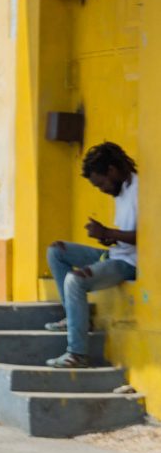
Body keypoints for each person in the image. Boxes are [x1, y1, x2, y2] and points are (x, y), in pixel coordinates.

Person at [44, 142, 138, 368]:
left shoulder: (142, 189)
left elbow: (148, 237)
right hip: (116, 253)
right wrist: (107, 237)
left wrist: (107, 232)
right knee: (56, 251)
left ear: (112, 171)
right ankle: (75, 319)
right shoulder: (122, 190)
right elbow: (126, 234)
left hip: (130, 263)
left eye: (101, 183)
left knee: (75, 280)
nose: (102, 189)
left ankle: (77, 353)